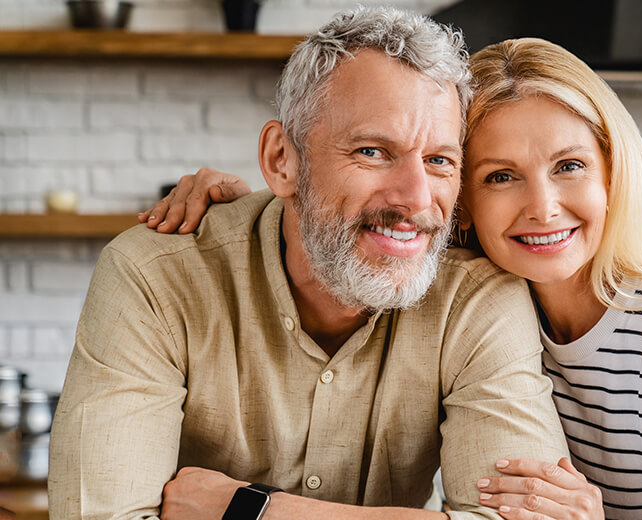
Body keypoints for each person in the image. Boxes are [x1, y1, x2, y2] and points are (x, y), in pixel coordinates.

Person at [146, 40, 642, 520]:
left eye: (571, 165)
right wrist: (232, 202)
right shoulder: (493, 303)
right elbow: (357, 192)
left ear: (615, 171)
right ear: (462, 198)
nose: (543, 206)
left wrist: (247, 509)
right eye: (500, 176)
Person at [48, 7, 570, 520]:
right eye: (372, 151)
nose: (415, 198)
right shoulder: (156, 277)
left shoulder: (477, 297)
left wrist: (255, 511)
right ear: (282, 160)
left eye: (439, 160)